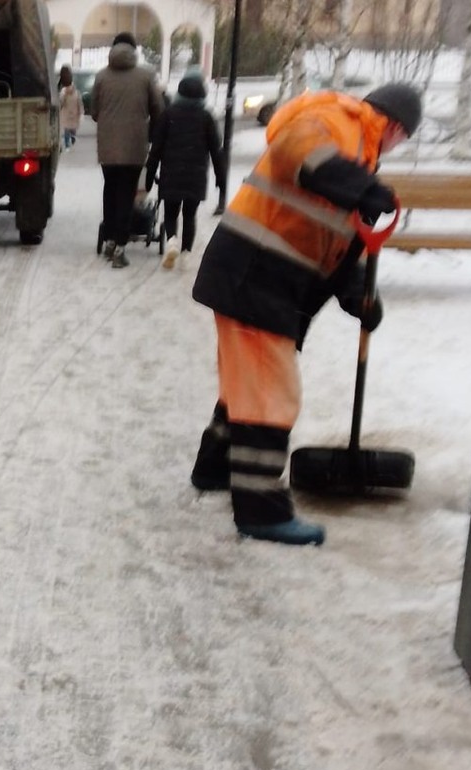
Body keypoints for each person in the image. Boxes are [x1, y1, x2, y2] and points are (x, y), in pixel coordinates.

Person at [188, 82, 423, 546]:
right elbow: (297, 152)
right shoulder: (337, 119)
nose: (398, 145)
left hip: (264, 280)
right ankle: (261, 511)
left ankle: (215, 467)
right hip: (254, 275)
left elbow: (339, 239)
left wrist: (359, 297)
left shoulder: (360, 152)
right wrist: (363, 187)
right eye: (404, 138)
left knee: (247, 384)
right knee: (270, 394)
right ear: (396, 126)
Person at [89, 32, 162, 268]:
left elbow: (94, 112)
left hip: (108, 149)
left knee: (110, 192)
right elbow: (158, 108)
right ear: (134, 49)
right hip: (133, 147)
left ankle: (110, 240)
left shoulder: (101, 77)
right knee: (126, 195)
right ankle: (120, 247)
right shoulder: (146, 76)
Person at [144, 72, 224, 268]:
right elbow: (216, 151)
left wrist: (149, 174)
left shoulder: (168, 115)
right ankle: (186, 252)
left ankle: (172, 241)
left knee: (171, 213)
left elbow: (156, 149)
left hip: (171, 172)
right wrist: (220, 179)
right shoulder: (207, 118)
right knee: (190, 214)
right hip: (195, 176)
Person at [57, 65, 82, 150]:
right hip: (74, 110)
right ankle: (73, 137)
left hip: (66, 111)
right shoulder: (75, 90)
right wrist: (80, 112)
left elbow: (61, 101)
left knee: (66, 128)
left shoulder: (62, 89)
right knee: (72, 127)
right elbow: (79, 101)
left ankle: (67, 144)